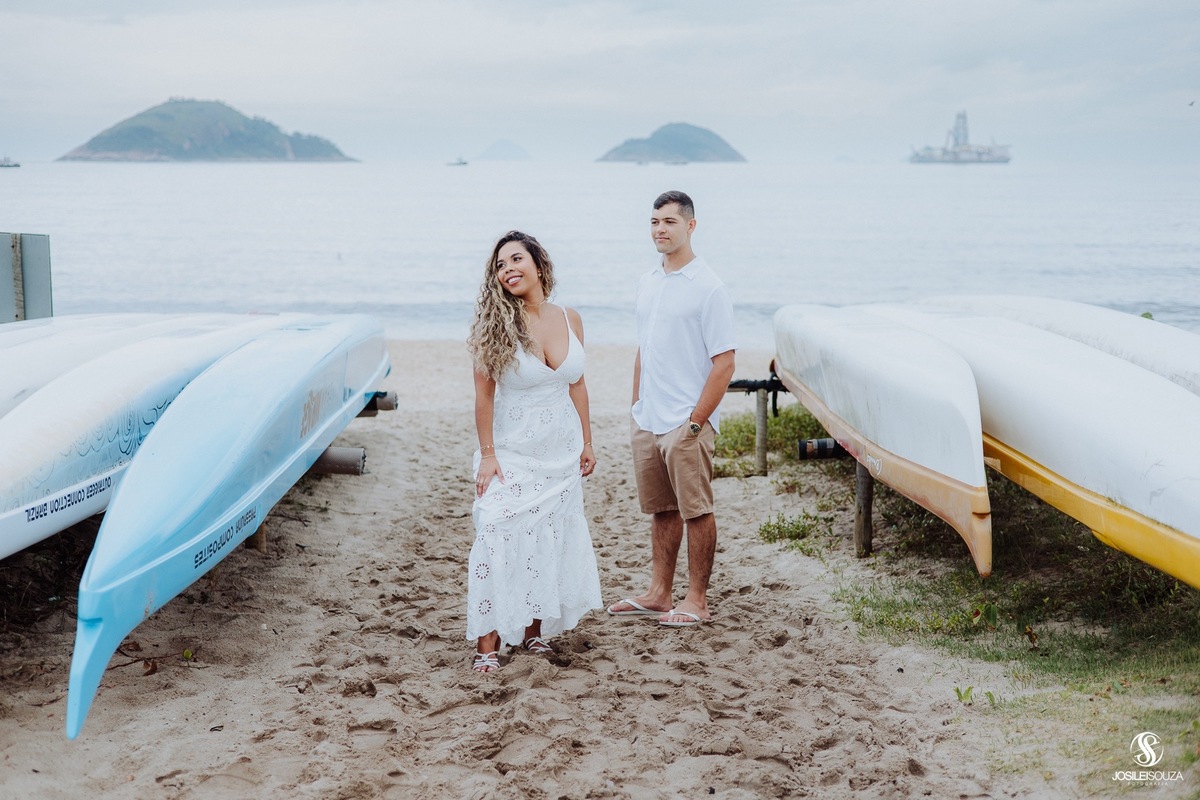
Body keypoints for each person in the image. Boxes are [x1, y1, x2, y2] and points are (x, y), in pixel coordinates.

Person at [465, 230, 603, 672]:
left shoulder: (570, 317)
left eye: (516, 259)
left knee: (551, 538)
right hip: (512, 451)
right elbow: (483, 397)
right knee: (496, 532)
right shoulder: (494, 325)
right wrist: (488, 455)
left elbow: (576, 384)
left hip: (561, 453)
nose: (508, 270)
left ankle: (532, 634)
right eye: (500, 265)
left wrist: (587, 440)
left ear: (539, 264)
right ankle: (488, 646)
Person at [606, 191, 736, 628]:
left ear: (691, 226)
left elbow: (725, 363)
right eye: (654, 221)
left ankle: (696, 599)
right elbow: (644, 350)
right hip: (649, 417)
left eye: (669, 222)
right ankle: (660, 594)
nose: (660, 229)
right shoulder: (648, 281)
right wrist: (636, 406)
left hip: (686, 421)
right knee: (662, 509)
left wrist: (696, 423)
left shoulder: (709, 287)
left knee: (695, 509)